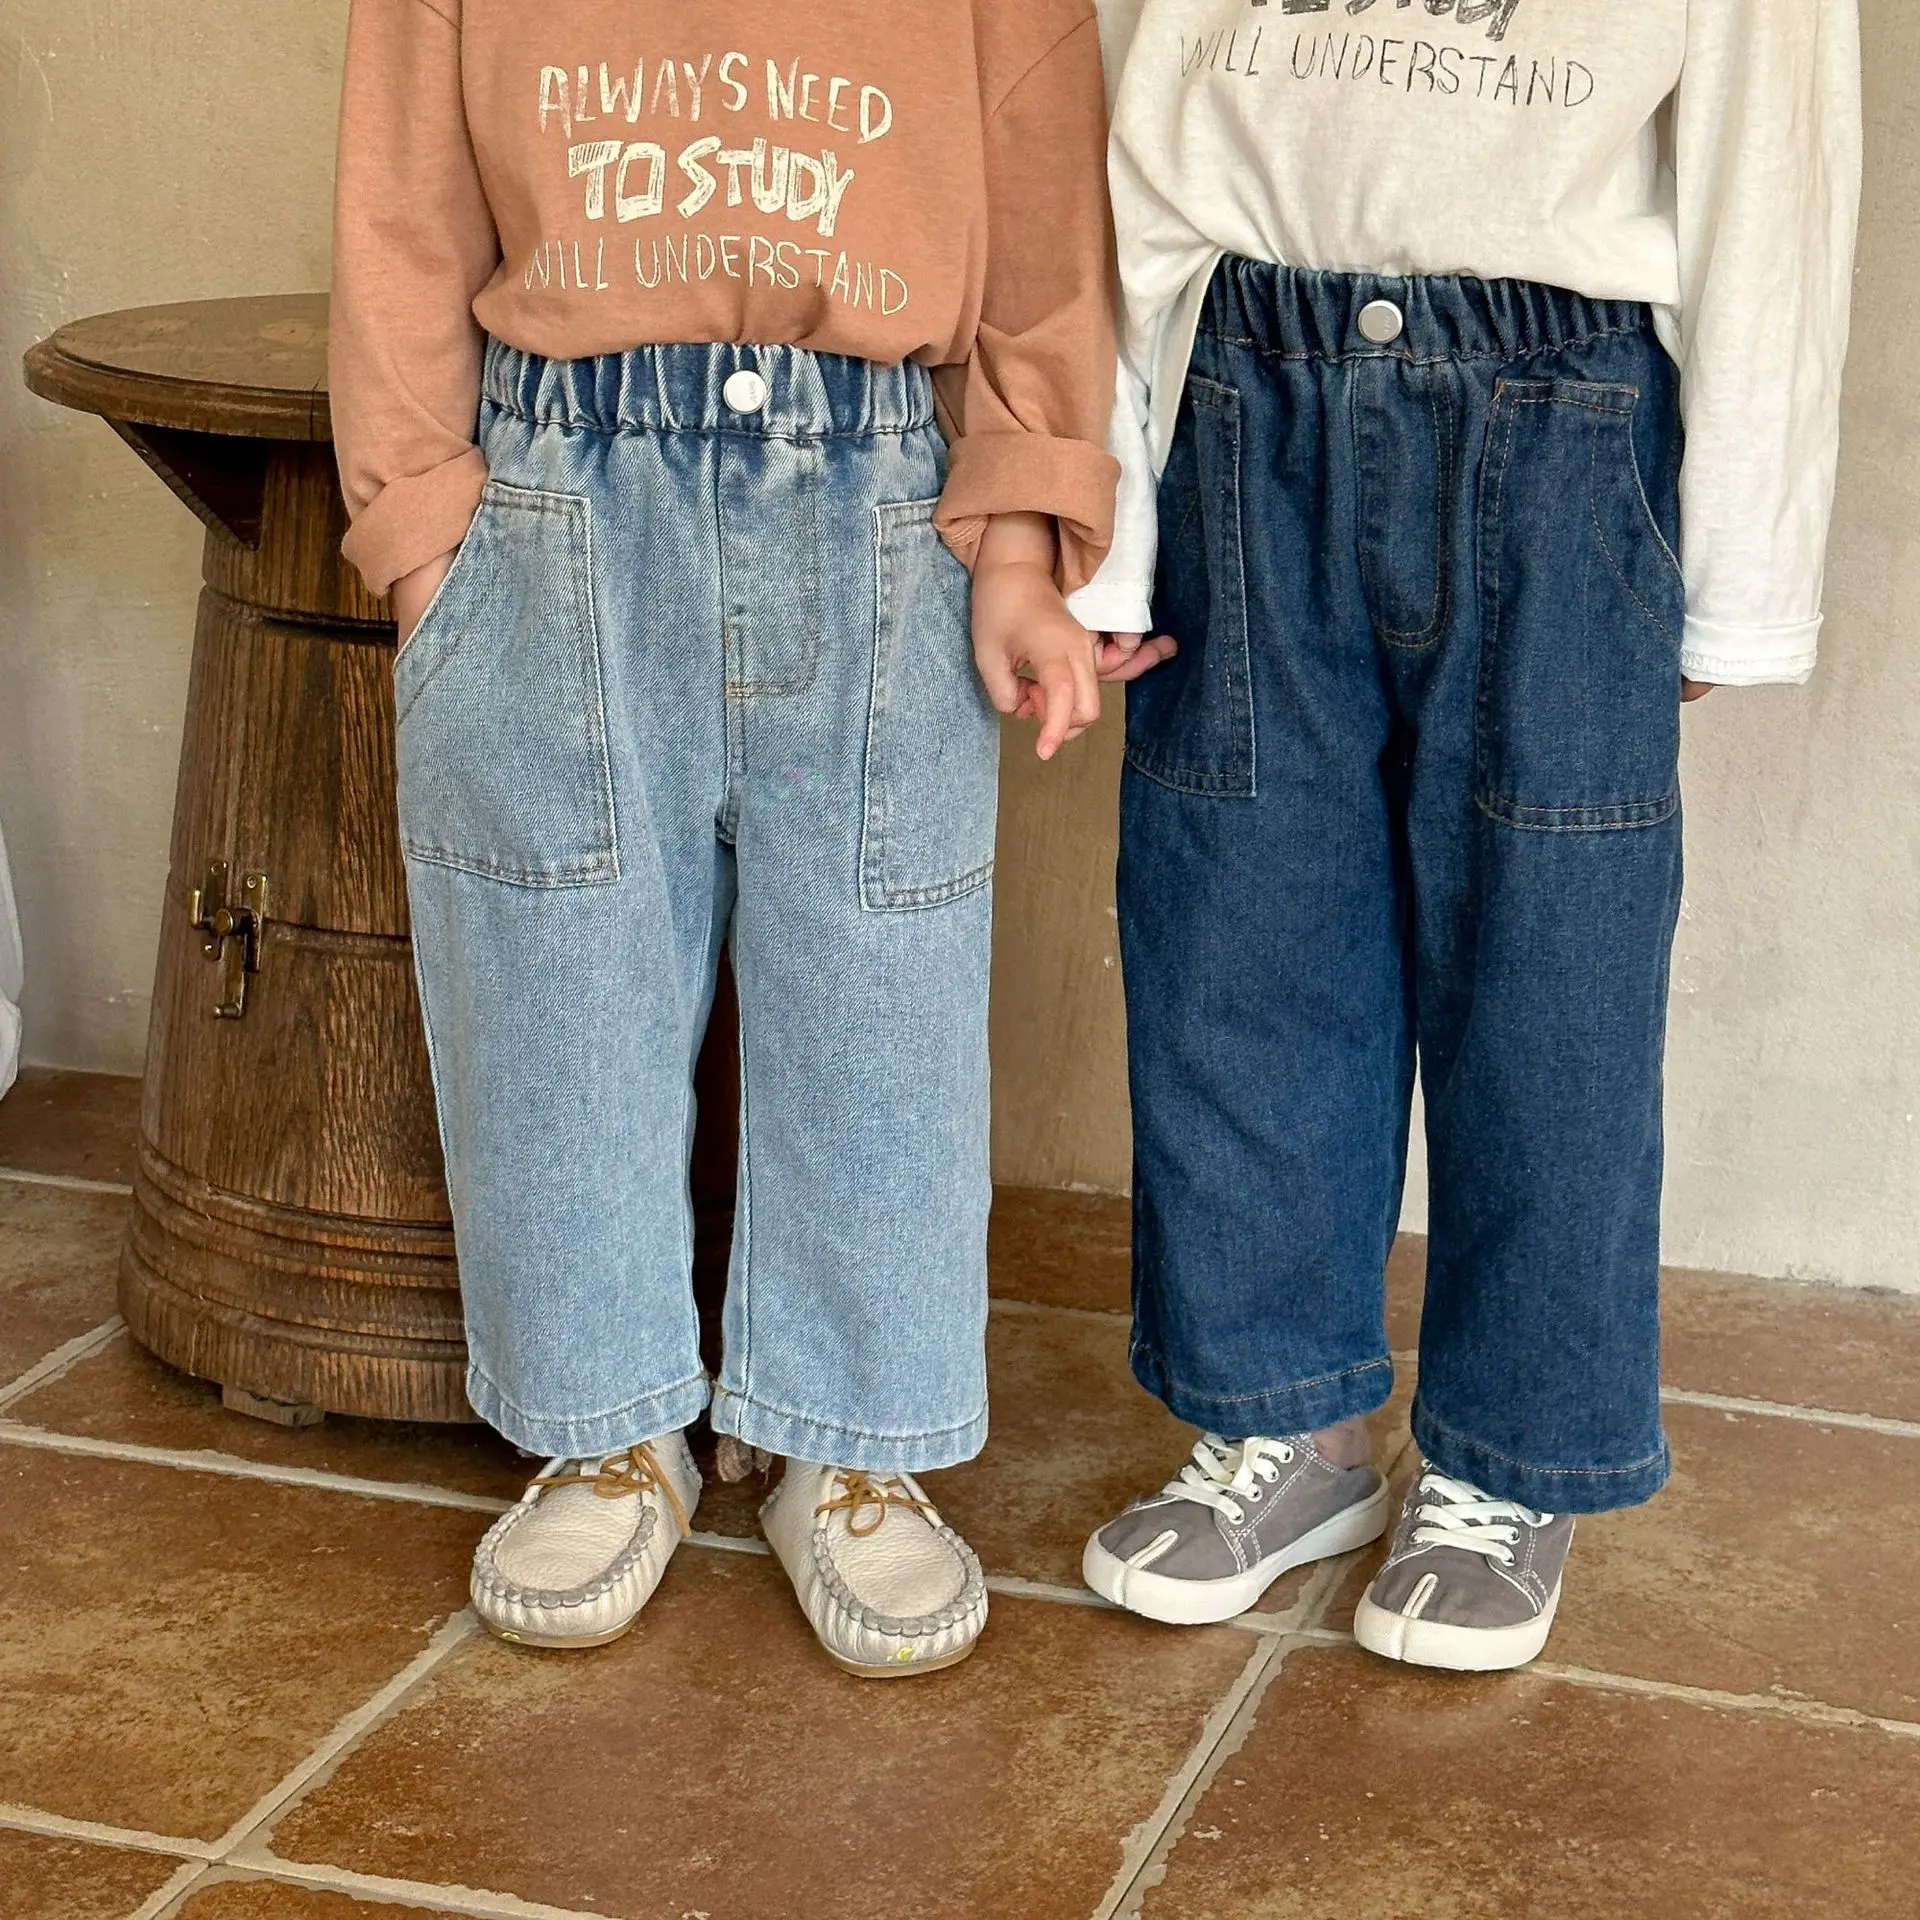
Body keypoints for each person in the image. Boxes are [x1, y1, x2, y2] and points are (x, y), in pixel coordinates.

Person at [329, 0, 1140, 1675]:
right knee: (554, 976)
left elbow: (1043, 240)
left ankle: (849, 1440)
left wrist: (1016, 542)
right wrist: (425, 546)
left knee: (882, 987)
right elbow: (403, 214)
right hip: (558, 482)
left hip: (881, 492)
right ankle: (605, 1428)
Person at [1072, 0, 1862, 1669]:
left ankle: (1511, 1455)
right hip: (1241, 385)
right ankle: (1284, 1419)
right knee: (1235, 929)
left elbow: (1771, 168)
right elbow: (1130, 124)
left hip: (1568, 412)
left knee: (1553, 967)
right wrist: (1106, 507)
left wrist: (1743, 574)